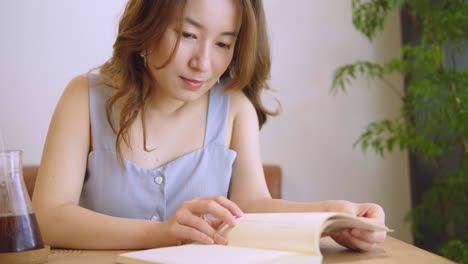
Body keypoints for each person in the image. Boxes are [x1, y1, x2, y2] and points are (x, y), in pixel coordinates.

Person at [32, 0, 386, 251]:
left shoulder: (234, 108)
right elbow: (50, 217)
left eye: (223, 43)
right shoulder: (84, 97)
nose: (203, 62)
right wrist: (161, 233)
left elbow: (253, 206)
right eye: (187, 34)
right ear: (148, 23)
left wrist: (336, 214)